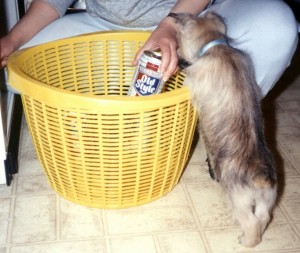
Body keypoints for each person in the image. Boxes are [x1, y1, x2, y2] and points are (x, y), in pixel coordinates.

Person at [0, 0, 298, 97]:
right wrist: (12, 40)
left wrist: (170, 25)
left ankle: (224, 131)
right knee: (19, 71)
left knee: (275, 26)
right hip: (105, 24)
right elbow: (52, 2)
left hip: (196, 22)